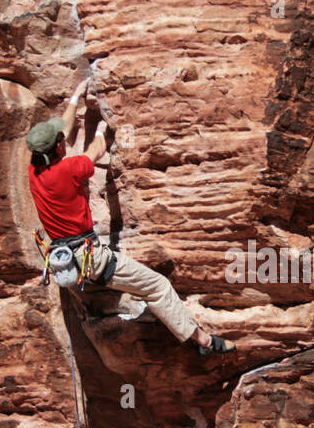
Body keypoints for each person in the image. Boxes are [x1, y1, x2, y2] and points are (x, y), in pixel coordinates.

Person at [26, 79, 235, 357]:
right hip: (93, 259)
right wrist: (102, 127)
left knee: (136, 288)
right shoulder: (70, 170)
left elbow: (62, 131)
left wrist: (75, 98)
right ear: (59, 148)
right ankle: (204, 341)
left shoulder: (35, 170)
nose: (63, 138)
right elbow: (95, 151)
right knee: (157, 286)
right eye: (61, 141)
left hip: (66, 256)